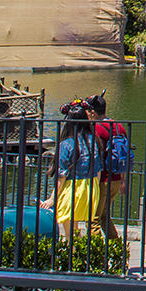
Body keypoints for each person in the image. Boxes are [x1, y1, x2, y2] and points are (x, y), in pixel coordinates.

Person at [54, 99, 105, 243]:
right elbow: (99, 170)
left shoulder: (67, 144)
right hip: (91, 188)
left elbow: (61, 175)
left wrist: (52, 198)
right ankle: (81, 258)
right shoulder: (94, 140)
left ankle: (72, 260)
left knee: (70, 233)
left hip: (73, 189)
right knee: (77, 229)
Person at [85, 92, 125, 246]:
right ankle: (117, 253)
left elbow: (95, 157)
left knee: (93, 219)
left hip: (102, 180)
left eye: (88, 112)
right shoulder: (118, 125)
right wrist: (124, 180)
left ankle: (96, 257)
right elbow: (125, 154)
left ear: (93, 112)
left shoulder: (96, 128)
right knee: (104, 217)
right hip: (116, 179)